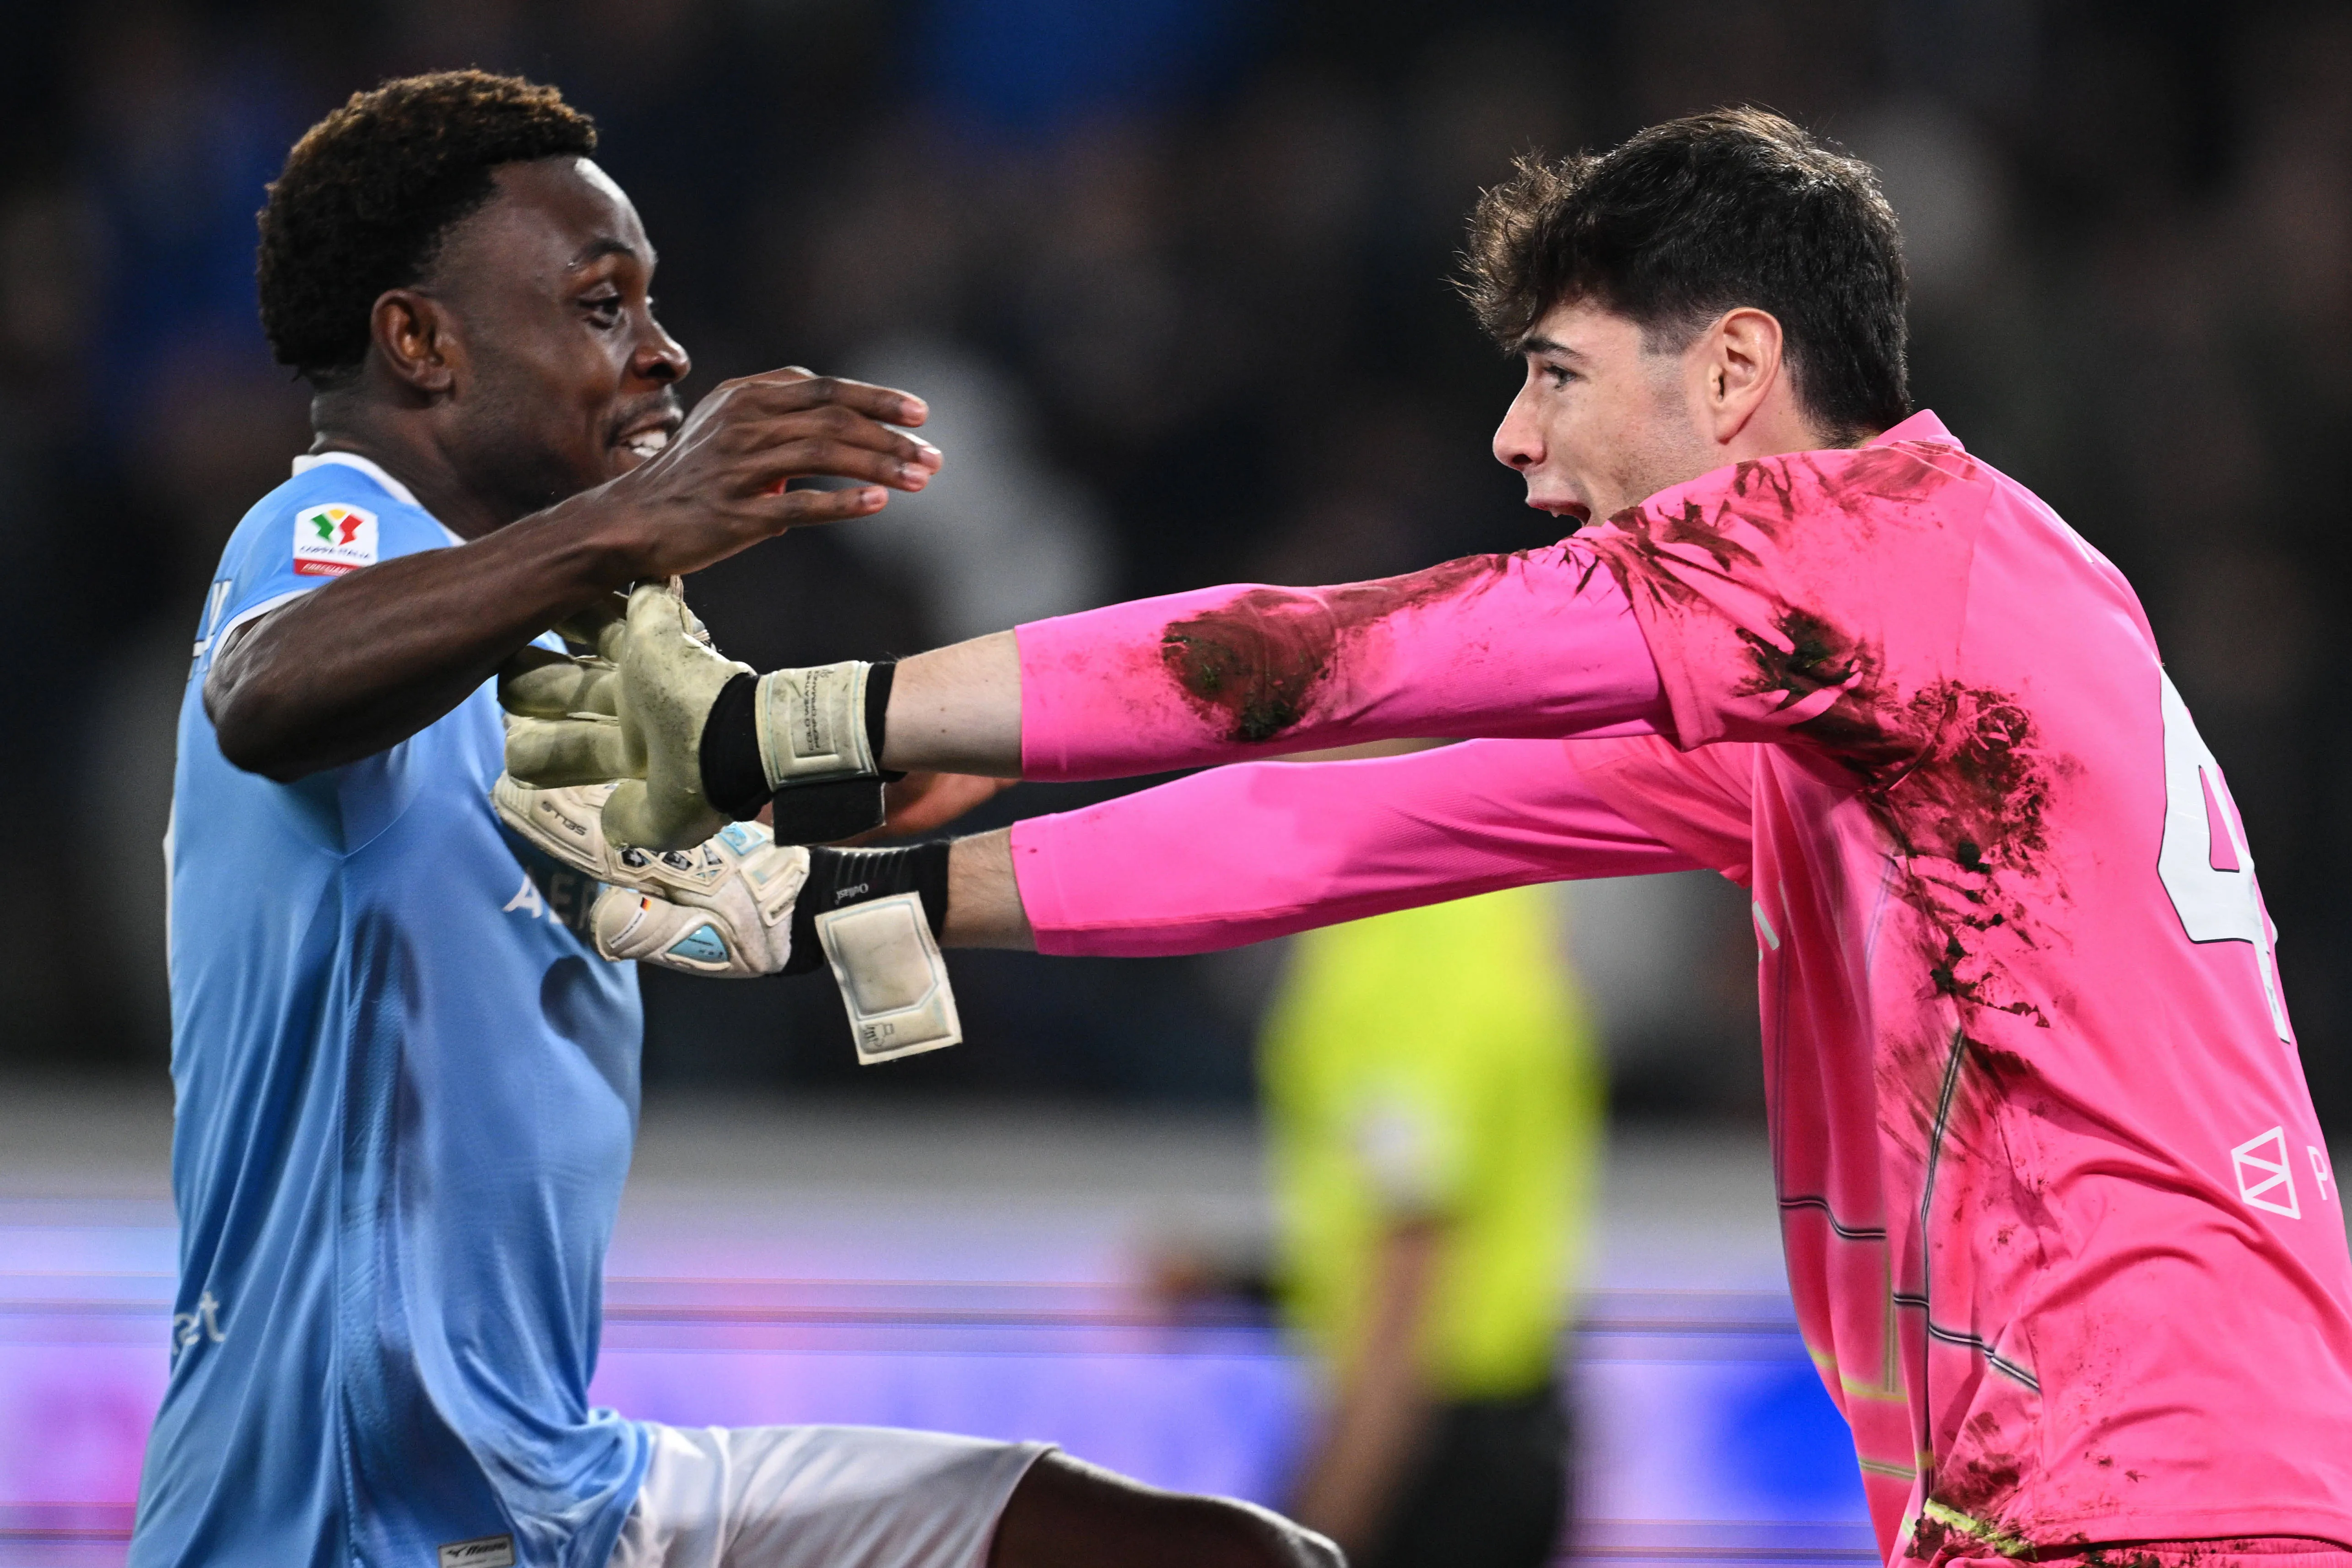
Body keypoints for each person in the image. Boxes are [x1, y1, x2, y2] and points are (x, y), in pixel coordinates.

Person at [512, 109, 2352, 1564]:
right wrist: (838, 898)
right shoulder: (1872, 662)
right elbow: (1341, 823)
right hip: (2141, 1467)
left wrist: (774, 727)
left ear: (1731, 371)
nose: (1511, 437)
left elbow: (1314, 661)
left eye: (1555, 373)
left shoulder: (1868, 559)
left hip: (2143, 1480)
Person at [149, 70, 1336, 1568]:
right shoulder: (333, 530)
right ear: (420, 342)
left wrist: (969, 780)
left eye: (650, 304)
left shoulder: (547, 653)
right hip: (339, 1509)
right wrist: (626, 524)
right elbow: (265, 693)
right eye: (602, 305)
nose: (662, 352)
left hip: (562, 1484)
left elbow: (763, 876)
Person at [1259, 878, 1598, 1568]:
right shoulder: (1488, 902)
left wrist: (1326, 1521)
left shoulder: (1409, 941)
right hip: (1497, 1422)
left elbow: (1415, 1241)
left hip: (1426, 1445)